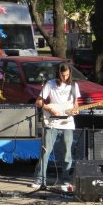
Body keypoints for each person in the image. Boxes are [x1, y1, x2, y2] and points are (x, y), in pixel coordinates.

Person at [32, 62, 80, 190]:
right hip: (52, 122)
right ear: (58, 74)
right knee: (46, 151)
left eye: (67, 75)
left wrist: (76, 109)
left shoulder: (74, 86)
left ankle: (65, 180)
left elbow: (75, 104)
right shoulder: (50, 84)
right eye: (63, 75)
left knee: (67, 154)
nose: (65, 78)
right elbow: (38, 102)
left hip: (68, 123)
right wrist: (49, 109)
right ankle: (39, 179)